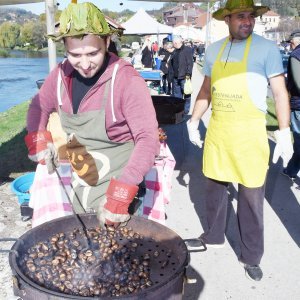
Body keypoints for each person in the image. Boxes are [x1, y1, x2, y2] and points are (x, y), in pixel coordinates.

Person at [25, 2, 159, 227]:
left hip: (120, 179)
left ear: (106, 42)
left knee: (119, 249)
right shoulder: (60, 75)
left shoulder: (126, 81)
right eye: (74, 55)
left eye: (92, 53)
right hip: (82, 176)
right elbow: (38, 106)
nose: (84, 64)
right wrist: (38, 140)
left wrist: (119, 197)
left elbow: (148, 139)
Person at [186, 0, 293, 281]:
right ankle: (213, 236)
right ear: (227, 19)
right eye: (240, 16)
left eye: (251, 16)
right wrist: (194, 119)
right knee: (214, 187)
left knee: (251, 197)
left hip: (250, 134)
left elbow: (280, 93)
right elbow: (207, 90)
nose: (248, 21)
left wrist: (284, 133)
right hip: (220, 130)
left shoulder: (267, 49)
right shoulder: (213, 50)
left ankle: (251, 256)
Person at [282, 30, 300, 180]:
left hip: (298, 105)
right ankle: (292, 170)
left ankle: (291, 170)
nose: (290, 45)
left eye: (291, 42)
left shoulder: (295, 55)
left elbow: (298, 84)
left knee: (299, 142)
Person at [170, 35, 194, 114]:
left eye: (173, 43)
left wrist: (188, 75)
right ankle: (179, 110)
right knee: (177, 96)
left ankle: (186, 110)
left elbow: (190, 63)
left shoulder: (187, 50)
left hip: (184, 77)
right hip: (176, 77)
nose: (173, 44)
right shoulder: (175, 51)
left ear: (176, 43)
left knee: (187, 94)